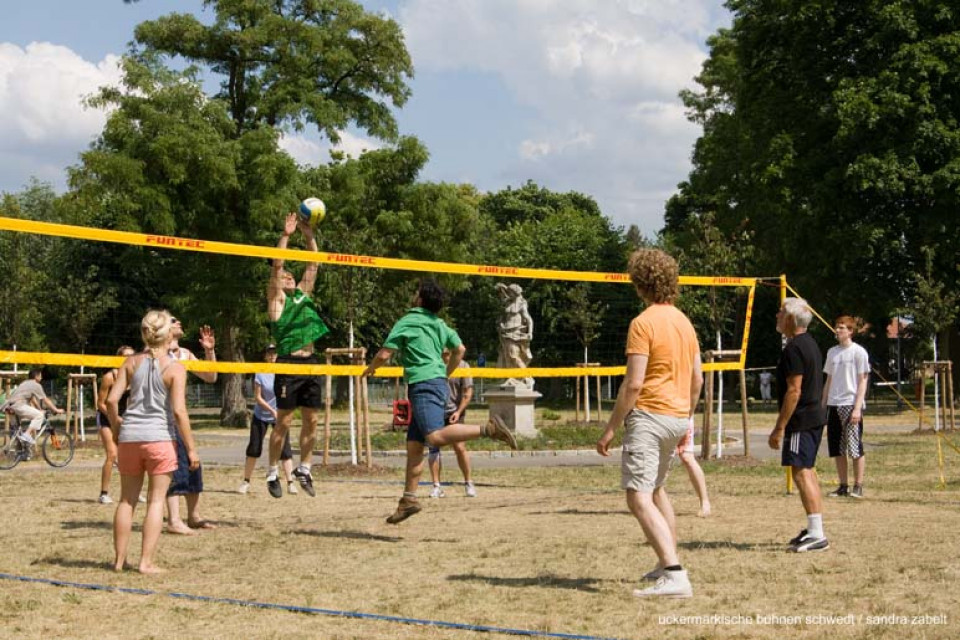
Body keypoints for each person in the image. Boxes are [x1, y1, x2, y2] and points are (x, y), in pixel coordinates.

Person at [363, 278, 518, 524]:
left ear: (420, 299)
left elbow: (384, 354)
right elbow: (460, 350)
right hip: (433, 382)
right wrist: (446, 373)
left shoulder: (409, 320)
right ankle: (408, 500)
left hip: (423, 384)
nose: (413, 295)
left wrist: (370, 368)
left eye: (416, 292)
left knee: (435, 436)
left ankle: (489, 429)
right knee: (415, 447)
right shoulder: (439, 323)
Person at [596, 249, 702, 599]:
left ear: (640, 283)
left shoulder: (643, 323)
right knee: (656, 491)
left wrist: (611, 427)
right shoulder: (685, 322)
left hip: (651, 416)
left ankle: (674, 573)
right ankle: (665, 562)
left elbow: (634, 384)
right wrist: (686, 414)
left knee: (637, 497)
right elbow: (697, 378)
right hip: (676, 417)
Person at [107, 309, 200, 574]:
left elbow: (112, 401)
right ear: (168, 334)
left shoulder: (131, 362)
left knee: (127, 500)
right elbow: (180, 412)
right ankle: (145, 563)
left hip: (130, 437)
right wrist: (192, 449)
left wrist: (116, 426)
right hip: (160, 438)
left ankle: (119, 561)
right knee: (156, 501)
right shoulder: (175, 368)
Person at [266, 212, 330, 498]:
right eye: (285, 276)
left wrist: (307, 233)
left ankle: (305, 468)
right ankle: (272, 471)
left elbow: (314, 263)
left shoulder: (302, 296)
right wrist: (287, 235)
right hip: (289, 363)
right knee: (284, 422)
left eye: (292, 275)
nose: (290, 276)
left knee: (312, 419)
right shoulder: (277, 301)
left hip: (311, 364)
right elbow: (278, 264)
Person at [767, 297, 829, 553]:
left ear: (792, 318)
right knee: (807, 471)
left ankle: (817, 534)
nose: (777, 316)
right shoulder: (810, 343)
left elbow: (794, 390)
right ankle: (815, 529)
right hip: (814, 416)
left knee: (801, 472)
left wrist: (780, 427)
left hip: (802, 419)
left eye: (781, 312)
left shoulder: (794, 349)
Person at [165, 316, 217, 533]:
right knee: (172, 468)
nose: (179, 322)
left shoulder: (185, 354)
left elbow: (211, 376)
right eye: (173, 320)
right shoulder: (154, 353)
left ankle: (193, 516)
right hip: (161, 420)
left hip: (179, 419)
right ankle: (174, 520)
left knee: (194, 464)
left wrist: (209, 352)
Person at [239, 344, 297, 495]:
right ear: (265, 356)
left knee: (285, 448)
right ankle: (246, 481)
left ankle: (290, 482)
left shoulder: (283, 371)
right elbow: (257, 397)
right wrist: (272, 410)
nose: (272, 355)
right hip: (262, 415)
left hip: (279, 415)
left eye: (274, 353)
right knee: (254, 448)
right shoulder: (261, 371)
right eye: (269, 353)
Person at [822, 315, 870, 499]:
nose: (838, 330)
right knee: (837, 448)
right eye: (837, 327)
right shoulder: (832, 352)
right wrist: (823, 403)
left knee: (855, 447)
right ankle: (843, 485)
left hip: (850, 404)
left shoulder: (859, 352)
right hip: (834, 403)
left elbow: (862, 381)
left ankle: (858, 485)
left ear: (850, 331)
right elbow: (829, 379)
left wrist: (857, 408)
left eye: (842, 327)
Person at [428, 349, 476, 499]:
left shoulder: (463, 366)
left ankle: (468, 483)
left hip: (455, 412)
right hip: (435, 411)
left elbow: (468, 393)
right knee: (433, 449)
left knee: (459, 447)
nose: (445, 353)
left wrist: (458, 411)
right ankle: (436, 486)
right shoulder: (432, 365)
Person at [96, 345, 137, 504]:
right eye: (125, 356)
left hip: (123, 419)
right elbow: (100, 403)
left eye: (132, 356)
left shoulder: (133, 377)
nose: (129, 359)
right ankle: (103, 493)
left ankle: (131, 492)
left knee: (130, 457)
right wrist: (115, 418)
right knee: (112, 454)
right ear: (117, 358)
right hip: (106, 417)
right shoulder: (109, 377)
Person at [5, 369, 64, 445]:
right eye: (40, 376)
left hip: (8, 406)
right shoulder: (36, 385)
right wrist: (56, 410)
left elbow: (32, 398)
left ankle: (19, 452)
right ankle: (27, 434)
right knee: (40, 415)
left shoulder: (24, 383)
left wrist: (39, 409)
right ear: (36, 377)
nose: (41, 378)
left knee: (18, 433)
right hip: (18, 405)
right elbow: (46, 400)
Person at [496, 283, 534, 388]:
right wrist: (502, 288)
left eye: (510, 292)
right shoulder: (509, 302)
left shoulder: (521, 304)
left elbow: (528, 319)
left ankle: (527, 376)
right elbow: (502, 296)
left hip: (516, 332)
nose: (509, 294)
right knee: (507, 355)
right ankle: (510, 377)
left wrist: (530, 332)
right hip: (505, 333)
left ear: (515, 293)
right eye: (508, 292)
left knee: (513, 355)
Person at [676, 417, 711, 517]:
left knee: (687, 457)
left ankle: (705, 502)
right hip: (657, 416)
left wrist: (687, 416)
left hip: (681, 415)